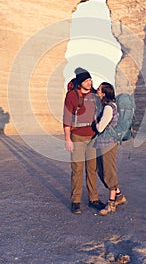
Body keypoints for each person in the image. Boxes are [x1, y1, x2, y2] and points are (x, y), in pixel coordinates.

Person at [63, 67, 105, 214]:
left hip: (93, 136)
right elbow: (67, 118)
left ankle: (93, 199)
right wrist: (68, 139)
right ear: (80, 82)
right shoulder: (71, 96)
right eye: (87, 80)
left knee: (92, 170)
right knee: (77, 169)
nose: (90, 82)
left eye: (90, 80)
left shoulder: (94, 94)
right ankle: (75, 201)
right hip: (78, 138)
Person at [94, 82, 127, 216]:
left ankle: (111, 203)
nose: (97, 90)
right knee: (102, 171)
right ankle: (119, 196)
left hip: (108, 143)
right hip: (105, 143)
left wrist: (94, 120)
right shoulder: (110, 106)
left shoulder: (108, 108)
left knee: (108, 172)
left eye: (99, 89)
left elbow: (100, 128)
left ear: (104, 93)